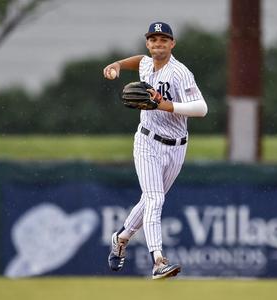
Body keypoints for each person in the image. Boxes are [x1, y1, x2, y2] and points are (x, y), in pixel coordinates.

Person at [102, 21, 208, 279]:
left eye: (163, 40)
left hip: (176, 147)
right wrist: (117, 64)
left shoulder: (180, 73)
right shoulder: (146, 64)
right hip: (147, 142)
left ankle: (122, 236)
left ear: (172, 44)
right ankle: (158, 260)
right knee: (155, 199)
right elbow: (138, 61)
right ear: (148, 43)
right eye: (153, 40)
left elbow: (202, 109)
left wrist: (166, 105)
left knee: (149, 200)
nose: (158, 44)